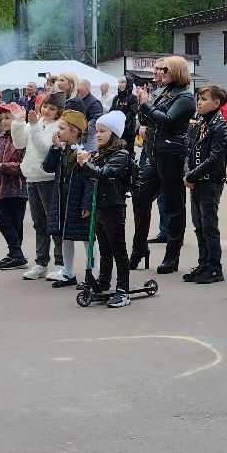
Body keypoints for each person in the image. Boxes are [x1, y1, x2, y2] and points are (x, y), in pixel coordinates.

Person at [132, 56, 196, 275]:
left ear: (176, 71)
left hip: (172, 155)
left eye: (164, 69)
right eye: (158, 69)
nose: (159, 73)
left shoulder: (185, 97)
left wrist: (147, 104)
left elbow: (168, 120)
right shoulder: (162, 92)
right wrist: (144, 107)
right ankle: (139, 248)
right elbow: (151, 120)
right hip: (155, 154)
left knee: (174, 206)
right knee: (140, 197)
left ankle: (172, 256)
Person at [76, 109, 133, 307]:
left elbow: (104, 173)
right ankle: (103, 280)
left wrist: (87, 164)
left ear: (114, 134)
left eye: (103, 131)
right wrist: (82, 163)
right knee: (105, 248)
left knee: (118, 249)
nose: (98, 135)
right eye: (97, 131)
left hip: (114, 206)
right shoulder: (100, 154)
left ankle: (123, 290)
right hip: (99, 206)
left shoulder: (121, 155)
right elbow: (87, 175)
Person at [183, 86, 227, 284]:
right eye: (198, 99)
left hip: (210, 183)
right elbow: (188, 150)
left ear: (216, 103)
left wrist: (192, 176)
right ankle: (203, 263)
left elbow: (214, 158)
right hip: (196, 182)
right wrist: (188, 174)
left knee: (209, 226)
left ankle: (214, 267)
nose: (199, 102)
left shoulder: (221, 127)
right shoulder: (199, 123)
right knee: (198, 225)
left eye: (203, 99)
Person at [11, 95, 63, 281]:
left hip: (48, 178)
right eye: (45, 106)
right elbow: (19, 144)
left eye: (52, 108)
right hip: (32, 177)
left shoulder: (57, 126)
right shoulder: (37, 121)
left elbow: (46, 150)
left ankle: (61, 264)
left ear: (59, 112)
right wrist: (18, 121)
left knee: (53, 222)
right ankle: (41, 263)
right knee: (39, 222)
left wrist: (33, 126)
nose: (46, 111)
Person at [42, 108, 93, 289]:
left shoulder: (86, 152)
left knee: (87, 238)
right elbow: (47, 167)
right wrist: (55, 148)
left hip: (78, 200)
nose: (58, 132)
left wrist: (87, 202)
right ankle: (68, 273)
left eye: (62, 128)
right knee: (65, 236)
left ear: (75, 131)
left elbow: (90, 180)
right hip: (63, 198)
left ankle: (92, 274)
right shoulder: (62, 149)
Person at [0, 105, 27, 270]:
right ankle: (15, 253)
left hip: (18, 189)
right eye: (2, 118)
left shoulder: (21, 139)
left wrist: (2, 166)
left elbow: (23, 165)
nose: (3, 121)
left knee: (15, 223)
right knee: (2, 220)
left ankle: (16, 254)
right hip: (1, 188)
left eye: (7, 118)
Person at [111, 76, 140, 149]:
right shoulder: (116, 98)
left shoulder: (133, 98)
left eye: (123, 82)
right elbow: (111, 111)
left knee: (128, 150)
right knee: (116, 149)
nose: (120, 84)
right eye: (119, 82)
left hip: (128, 129)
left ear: (128, 84)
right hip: (116, 129)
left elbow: (132, 113)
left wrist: (121, 121)